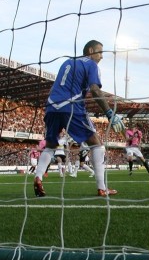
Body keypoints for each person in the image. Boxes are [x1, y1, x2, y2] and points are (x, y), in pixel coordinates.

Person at [33, 40, 124, 197]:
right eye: (100, 52)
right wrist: (110, 113)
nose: (101, 56)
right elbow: (95, 90)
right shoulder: (91, 65)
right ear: (90, 50)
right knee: (96, 143)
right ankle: (102, 188)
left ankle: (38, 177)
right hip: (71, 106)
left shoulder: (68, 61)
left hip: (51, 107)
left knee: (51, 145)